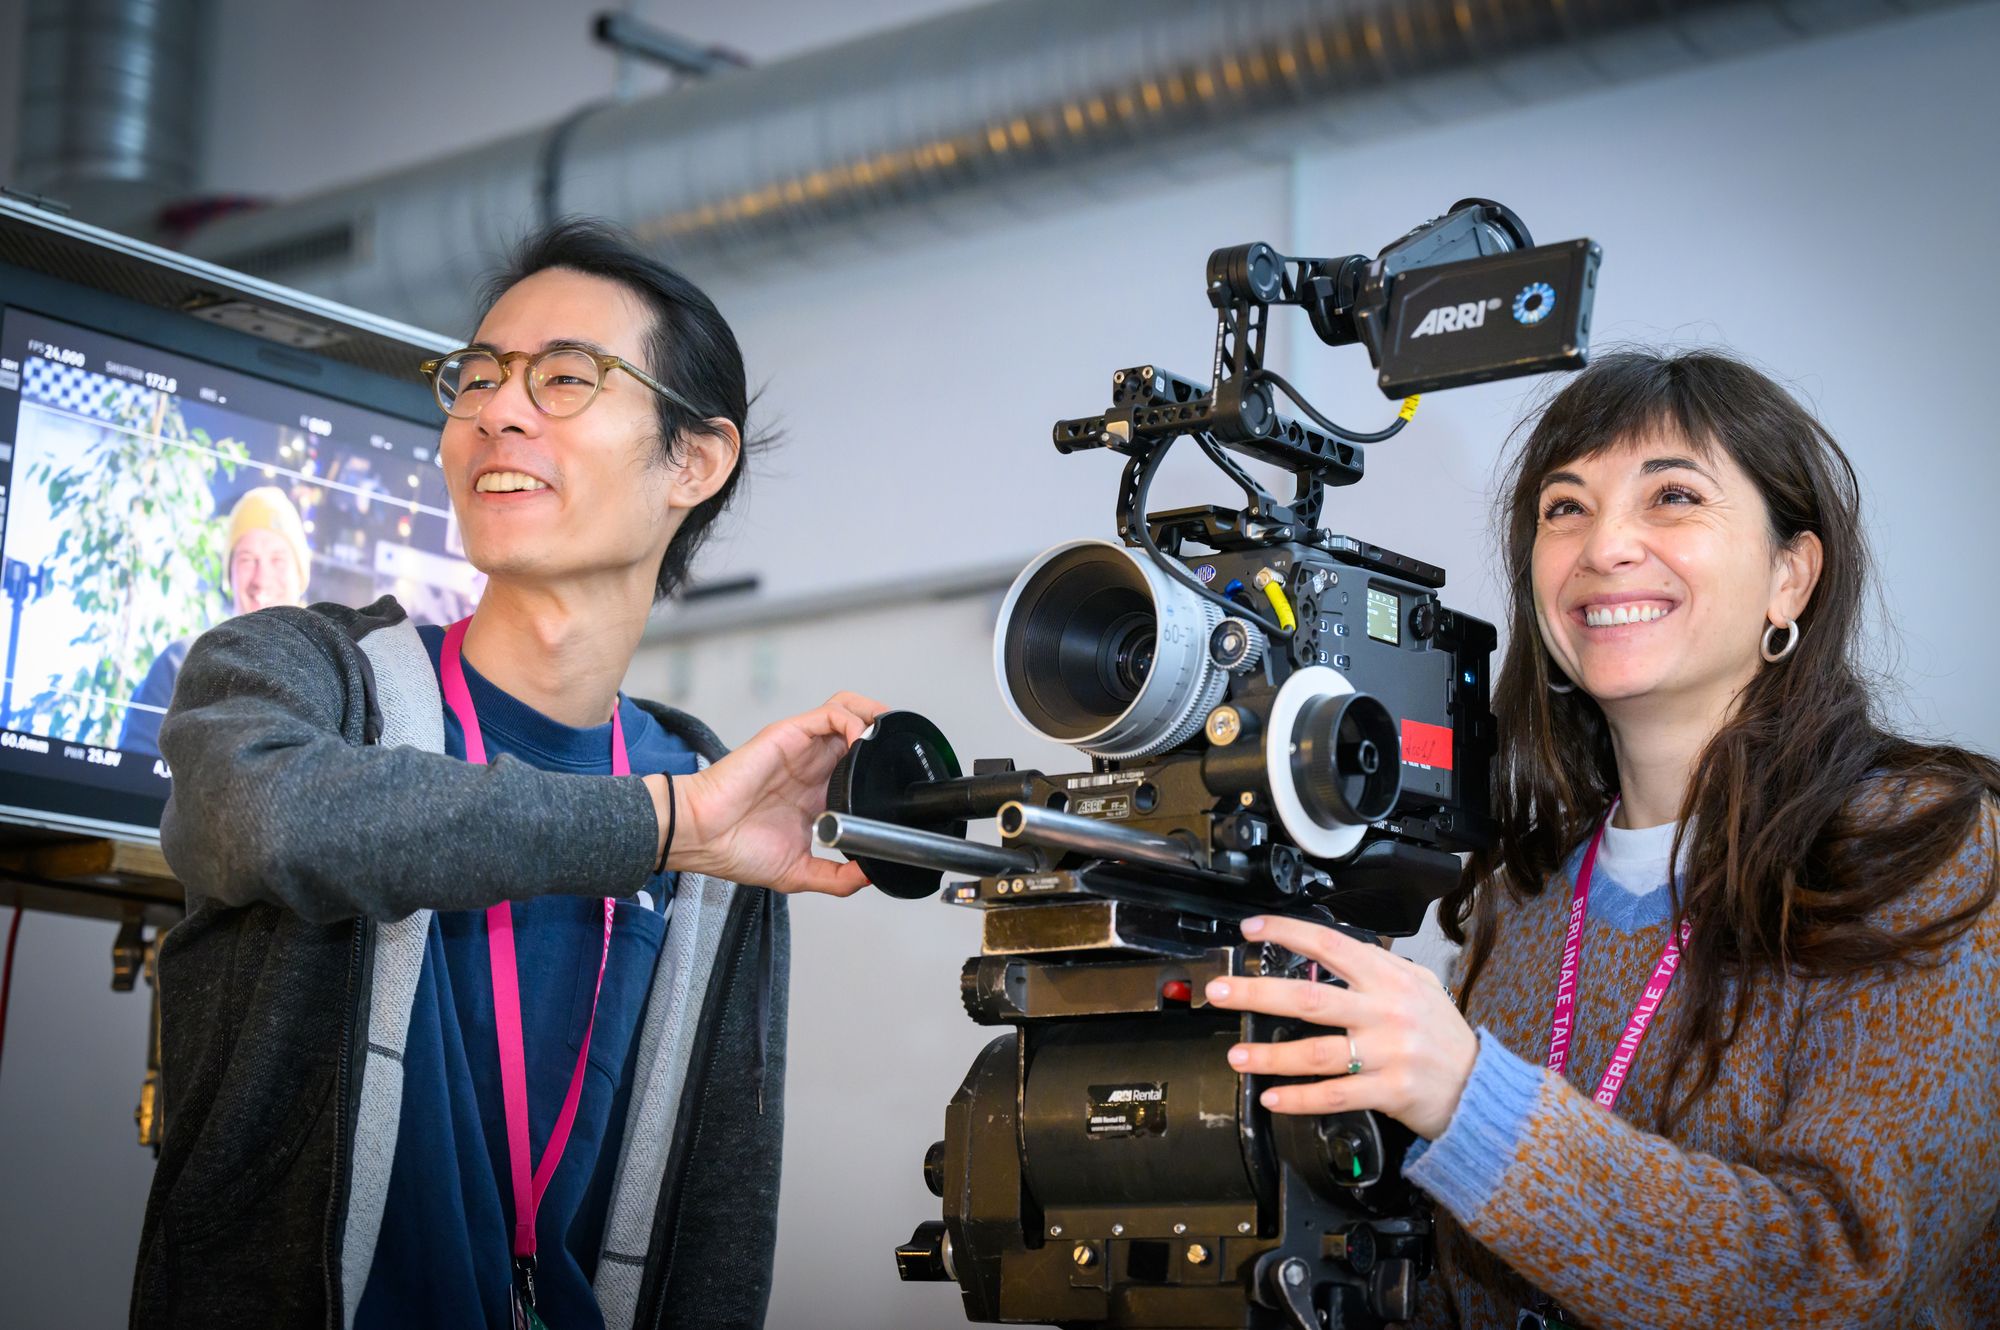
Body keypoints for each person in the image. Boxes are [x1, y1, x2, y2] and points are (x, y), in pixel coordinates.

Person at [130, 219, 882, 1330]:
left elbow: (718, 1215)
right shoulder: (294, 671)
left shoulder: (705, 791)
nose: (497, 409)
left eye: (566, 377)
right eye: (475, 376)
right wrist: (658, 825)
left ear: (694, 459)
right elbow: (274, 824)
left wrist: (676, 818)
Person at [1202, 350, 2000, 1326]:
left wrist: (1472, 1098)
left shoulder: (1921, 845)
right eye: (1562, 507)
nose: (1604, 545)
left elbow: (1841, 1274)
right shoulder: (1518, 893)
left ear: (1788, 575)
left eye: (1671, 496)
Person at [118, 483, 312, 755]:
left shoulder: (332, 679)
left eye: (277, 560)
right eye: (247, 560)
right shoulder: (179, 664)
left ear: (300, 575)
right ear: (229, 576)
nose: (261, 578)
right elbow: (133, 770)